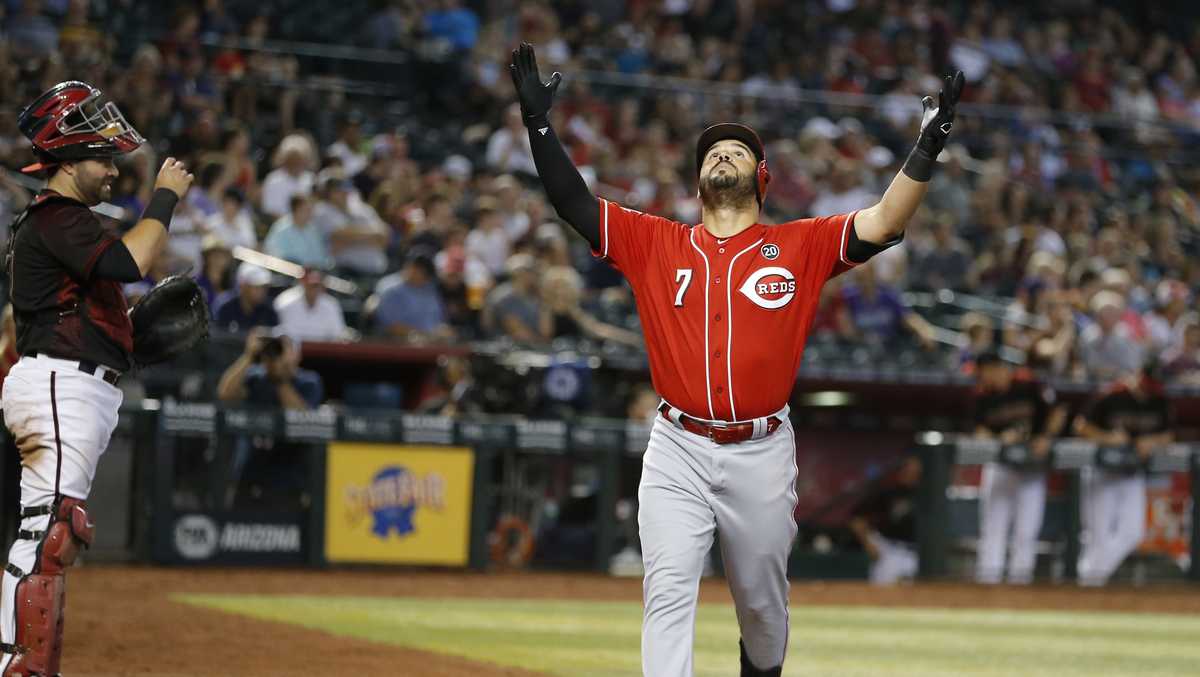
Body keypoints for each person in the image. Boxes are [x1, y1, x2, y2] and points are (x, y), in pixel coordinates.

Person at [510, 43, 963, 676]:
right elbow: (574, 204)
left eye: (738, 150)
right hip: (677, 447)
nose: (723, 154)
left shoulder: (798, 245)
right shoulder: (655, 241)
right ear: (698, 181)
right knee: (667, 593)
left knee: (763, 612)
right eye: (713, 153)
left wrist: (929, 145)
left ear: (761, 178)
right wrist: (538, 127)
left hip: (762, 451)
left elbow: (884, 221)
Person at [0, 81, 192, 675]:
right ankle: (17, 666)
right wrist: (163, 198)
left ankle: (22, 661)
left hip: (71, 382)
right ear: (68, 160)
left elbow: (87, 301)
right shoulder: (57, 216)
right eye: (101, 158)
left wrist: (122, 335)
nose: (112, 171)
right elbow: (132, 260)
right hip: (58, 381)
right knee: (49, 531)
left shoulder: (65, 223)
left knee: (52, 532)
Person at [1073, 361, 1173, 586]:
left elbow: (1168, 435)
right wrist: (1107, 438)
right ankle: (1090, 584)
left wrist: (1152, 440)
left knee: (1133, 533)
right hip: (1102, 471)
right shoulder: (1111, 395)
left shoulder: (1159, 400)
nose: (1147, 391)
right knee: (1098, 535)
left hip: (1132, 472)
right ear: (1137, 376)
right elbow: (1080, 426)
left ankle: (1088, 579)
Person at [970, 351, 1067, 584]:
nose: (983, 378)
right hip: (1001, 466)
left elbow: (1059, 410)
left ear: (997, 368)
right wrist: (999, 439)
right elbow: (978, 431)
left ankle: (1019, 584)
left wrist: (1046, 436)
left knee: (1027, 531)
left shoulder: (1028, 385)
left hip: (1032, 467)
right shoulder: (982, 396)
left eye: (985, 372)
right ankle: (988, 583)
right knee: (993, 529)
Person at [847, 455, 922, 585]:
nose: (912, 475)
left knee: (910, 599)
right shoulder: (888, 493)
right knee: (883, 595)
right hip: (888, 550)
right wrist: (868, 543)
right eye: (908, 470)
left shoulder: (924, 495)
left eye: (916, 472)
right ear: (901, 471)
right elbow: (856, 518)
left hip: (913, 553)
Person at [273, 269, 349, 343]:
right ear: (303, 283)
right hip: (293, 352)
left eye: (317, 285)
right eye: (311, 285)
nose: (314, 289)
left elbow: (337, 335)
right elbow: (284, 336)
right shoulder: (285, 302)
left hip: (324, 352)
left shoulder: (332, 305)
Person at [212, 263, 278, 334]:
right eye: (256, 287)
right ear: (242, 286)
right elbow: (219, 339)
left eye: (264, 287)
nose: (261, 291)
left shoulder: (269, 311)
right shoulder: (226, 308)